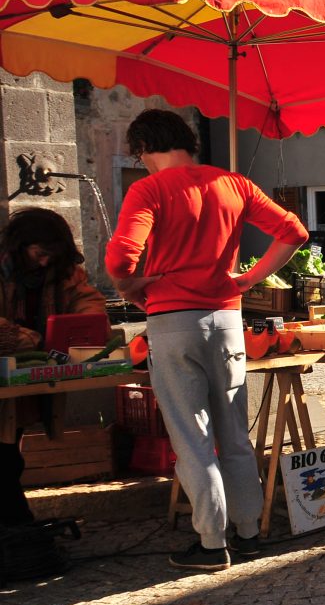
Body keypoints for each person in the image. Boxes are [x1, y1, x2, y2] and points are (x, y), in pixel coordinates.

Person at [105, 109, 307, 569]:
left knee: (194, 439)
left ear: (143, 149)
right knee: (235, 434)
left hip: (174, 322)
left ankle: (212, 544)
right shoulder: (233, 184)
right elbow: (294, 232)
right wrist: (248, 279)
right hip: (227, 320)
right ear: (187, 141)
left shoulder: (149, 188)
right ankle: (250, 533)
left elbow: (120, 258)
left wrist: (131, 287)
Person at [1, 209, 107, 528]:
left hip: (25, 379)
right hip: (8, 365)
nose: (45, 262)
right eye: (39, 253)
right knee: (4, 459)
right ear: (20, 246)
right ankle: (19, 530)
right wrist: (23, 337)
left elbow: (89, 304)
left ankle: (17, 533)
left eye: (51, 255)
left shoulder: (65, 272)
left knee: (8, 451)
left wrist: (81, 329)